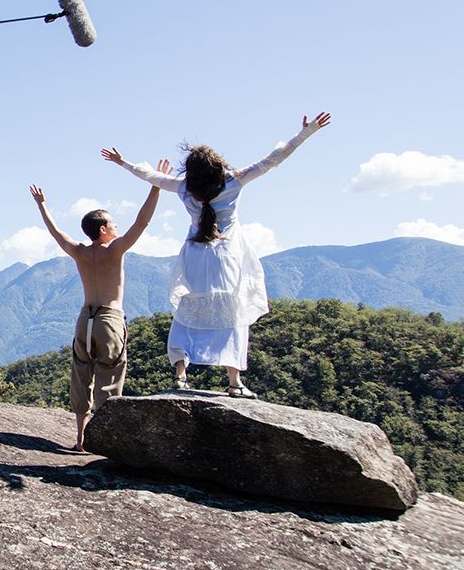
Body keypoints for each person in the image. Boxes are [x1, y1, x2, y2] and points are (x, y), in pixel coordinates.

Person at [102, 112, 331, 399]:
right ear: (216, 165)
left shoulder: (184, 188)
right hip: (227, 256)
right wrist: (305, 133)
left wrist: (123, 162)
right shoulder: (233, 181)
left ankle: (181, 374)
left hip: (195, 255)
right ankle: (235, 382)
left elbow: (152, 176)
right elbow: (274, 159)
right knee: (232, 312)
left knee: (187, 308)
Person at [30, 170, 163, 452]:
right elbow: (143, 221)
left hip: (84, 320)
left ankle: (80, 440)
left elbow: (56, 233)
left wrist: (42, 205)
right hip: (109, 320)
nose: (117, 226)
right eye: (113, 223)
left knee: (81, 377)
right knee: (109, 381)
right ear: (103, 229)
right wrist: (156, 186)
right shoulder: (113, 250)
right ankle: (104, 442)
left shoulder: (79, 251)